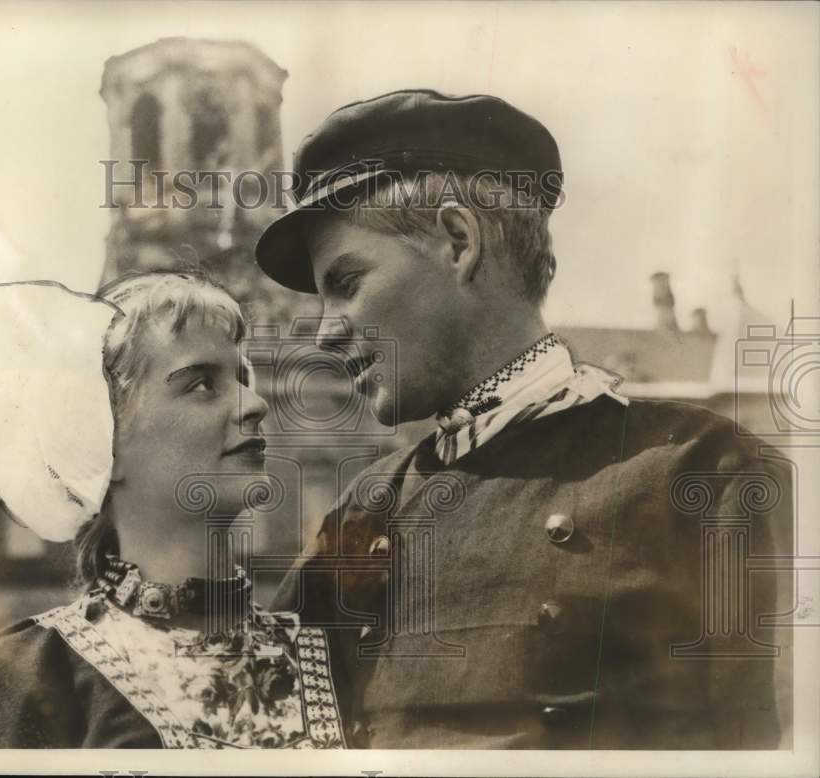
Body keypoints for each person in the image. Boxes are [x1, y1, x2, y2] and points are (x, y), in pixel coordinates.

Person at [256, 89, 793, 749]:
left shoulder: (702, 468)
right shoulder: (364, 509)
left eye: (345, 283)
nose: (324, 335)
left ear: (458, 242)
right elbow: (279, 722)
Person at [0, 271, 345, 749]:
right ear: (106, 446)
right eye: (202, 384)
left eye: (243, 378)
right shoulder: (24, 678)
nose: (255, 403)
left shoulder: (334, 663)